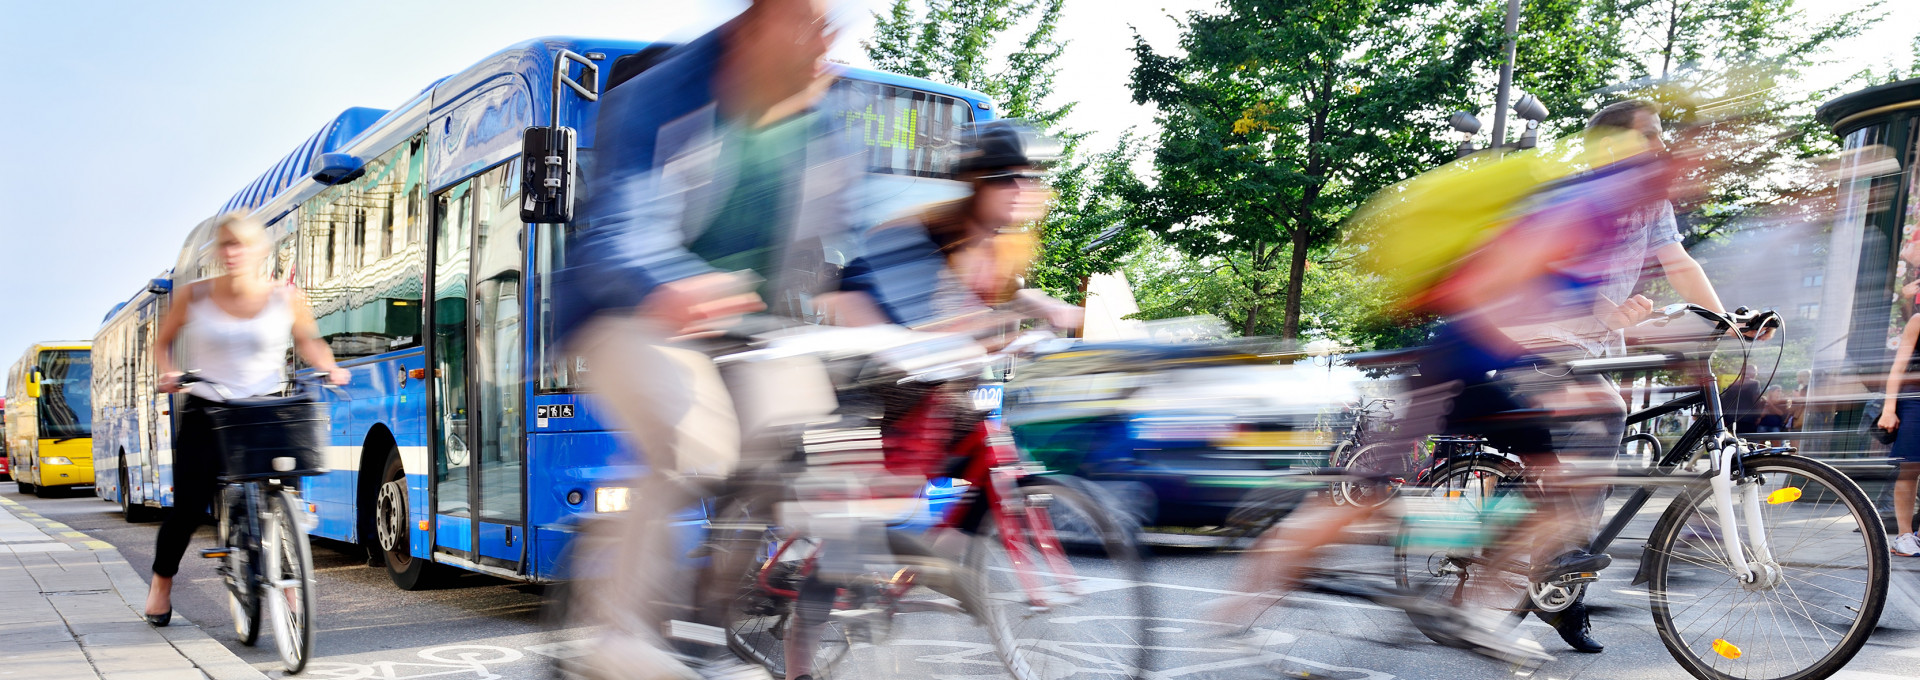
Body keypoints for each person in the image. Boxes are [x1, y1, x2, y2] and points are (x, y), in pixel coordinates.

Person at [552, 2, 866, 679]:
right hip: (625, 309)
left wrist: (888, 309)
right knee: (693, 440)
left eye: (830, 22)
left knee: (822, 434)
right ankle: (615, 634)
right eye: (808, 19)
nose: (827, 38)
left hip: (743, 323)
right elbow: (618, 231)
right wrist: (674, 284)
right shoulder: (659, 98)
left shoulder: (815, 116)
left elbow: (855, 237)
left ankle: (716, 611)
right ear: (756, 24)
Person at [143, 212, 350, 626]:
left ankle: (289, 584)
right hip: (209, 408)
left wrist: (330, 367)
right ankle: (161, 585)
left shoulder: (285, 296)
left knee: (284, 495)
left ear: (261, 250)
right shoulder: (195, 295)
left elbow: (309, 341)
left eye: (242, 244)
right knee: (187, 507)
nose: (233, 252)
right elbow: (162, 343)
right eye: (226, 245)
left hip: (267, 409)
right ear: (219, 252)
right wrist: (168, 372)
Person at [1876, 314, 1920, 558]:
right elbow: (1899, 367)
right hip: (1915, 398)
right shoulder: (1918, 320)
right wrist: (1889, 408)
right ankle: (1904, 535)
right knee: (1910, 467)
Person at [1723, 363, 1764, 433]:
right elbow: (1756, 400)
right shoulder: (1755, 384)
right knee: (1748, 441)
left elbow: (1725, 402)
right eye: (1756, 372)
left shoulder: (1732, 385)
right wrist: (1758, 416)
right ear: (1752, 372)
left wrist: (1725, 418)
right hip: (1748, 419)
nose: (1756, 374)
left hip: (1731, 419)